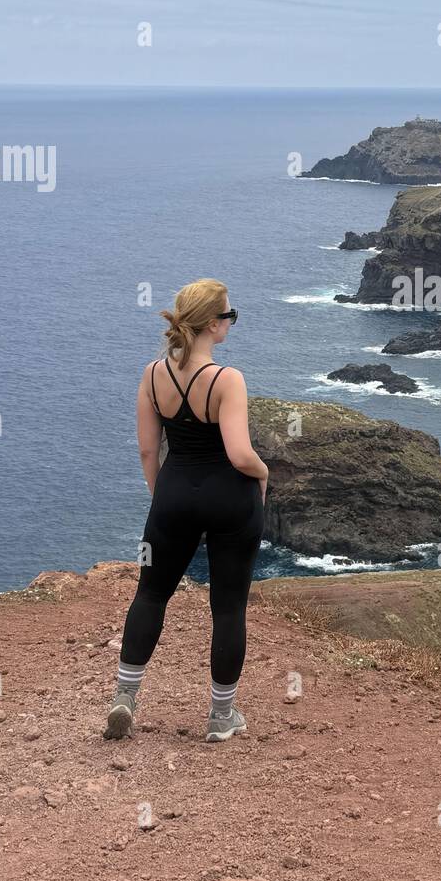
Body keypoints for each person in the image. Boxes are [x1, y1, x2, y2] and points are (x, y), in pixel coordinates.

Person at [105, 278, 269, 743]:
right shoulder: (226, 379)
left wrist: (163, 497)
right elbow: (240, 454)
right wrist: (263, 474)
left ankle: (125, 696)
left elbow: (145, 450)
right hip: (229, 500)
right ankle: (221, 717)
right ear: (214, 325)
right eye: (230, 316)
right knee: (229, 606)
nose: (230, 324)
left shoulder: (153, 374)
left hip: (173, 496)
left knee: (151, 593)